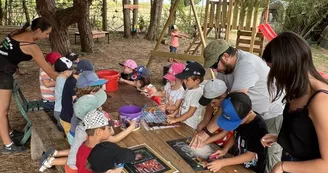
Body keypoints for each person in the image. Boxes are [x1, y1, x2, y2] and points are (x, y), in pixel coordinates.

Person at [197, 39, 284, 172]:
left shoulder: (246, 65)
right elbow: (216, 94)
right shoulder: (224, 69)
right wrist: (205, 121)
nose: (214, 69)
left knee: (268, 157)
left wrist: (207, 132)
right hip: (245, 115)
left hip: (271, 115)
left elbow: (231, 104)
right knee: (243, 147)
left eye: (215, 65)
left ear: (225, 56)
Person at [260, 32, 328, 173]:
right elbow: (307, 136)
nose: (275, 78)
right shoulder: (298, 89)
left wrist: (282, 166)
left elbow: (326, 165)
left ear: (288, 67)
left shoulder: (320, 101)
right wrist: (281, 138)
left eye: (275, 71)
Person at [0, 17, 58, 154]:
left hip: (4, 69)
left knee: (3, 110)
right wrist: (67, 79)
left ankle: (10, 132)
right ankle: (8, 145)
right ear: (38, 30)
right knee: (2, 111)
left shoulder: (17, 34)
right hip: (2, 74)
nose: (47, 36)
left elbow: (8, 52)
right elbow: (48, 70)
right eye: (46, 33)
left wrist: (17, 69)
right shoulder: (31, 46)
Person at [65, 90, 137, 172]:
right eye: (107, 128)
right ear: (98, 132)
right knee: (120, 166)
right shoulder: (99, 154)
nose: (109, 130)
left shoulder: (84, 144)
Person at [203, 92, 268, 173]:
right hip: (238, 163)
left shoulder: (259, 128)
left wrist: (222, 162)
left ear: (249, 112)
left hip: (252, 169)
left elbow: (250, 156)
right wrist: (224, 150)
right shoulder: (239, 116)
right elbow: (235, 135)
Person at [62, 70, 107, 143]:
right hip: (77, 138)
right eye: (95, 90)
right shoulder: (81, 104)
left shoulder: (86, 98)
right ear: (87, 90)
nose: (98, 92)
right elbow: (91, 121)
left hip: (82, 134)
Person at [60, 60, 94, 144]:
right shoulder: (73, 83)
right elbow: (76, 103)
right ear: (81, 73)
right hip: (68, 118)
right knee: (73, 142)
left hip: (69, 115)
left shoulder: (72, 79)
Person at [167, 62, 205, 129]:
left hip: (190, 126)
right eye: (184, 78)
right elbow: (181, 104)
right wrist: (173, 115)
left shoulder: (198, 93)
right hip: (182, 121)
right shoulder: (188, 88)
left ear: (197, 81)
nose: (184, 81)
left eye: (187, 79)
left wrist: (176, 119)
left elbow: (190, 113)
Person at [198, 79, 234, 147]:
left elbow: (224, 133)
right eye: (209, 102)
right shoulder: (212, 104)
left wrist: (205, 141)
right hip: (209, 138)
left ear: (223, 97)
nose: (211, 105)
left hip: (225, 144)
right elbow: (205, 121)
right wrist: (199, 130)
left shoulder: (230, 109)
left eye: (213, 102)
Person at [54, 57, 74, 132]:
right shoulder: (64, 82)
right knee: (68, 131)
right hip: (61, 112)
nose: (73, 71)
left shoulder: (60, 78)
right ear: (65, 72)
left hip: (59, 110)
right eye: (71, 69)